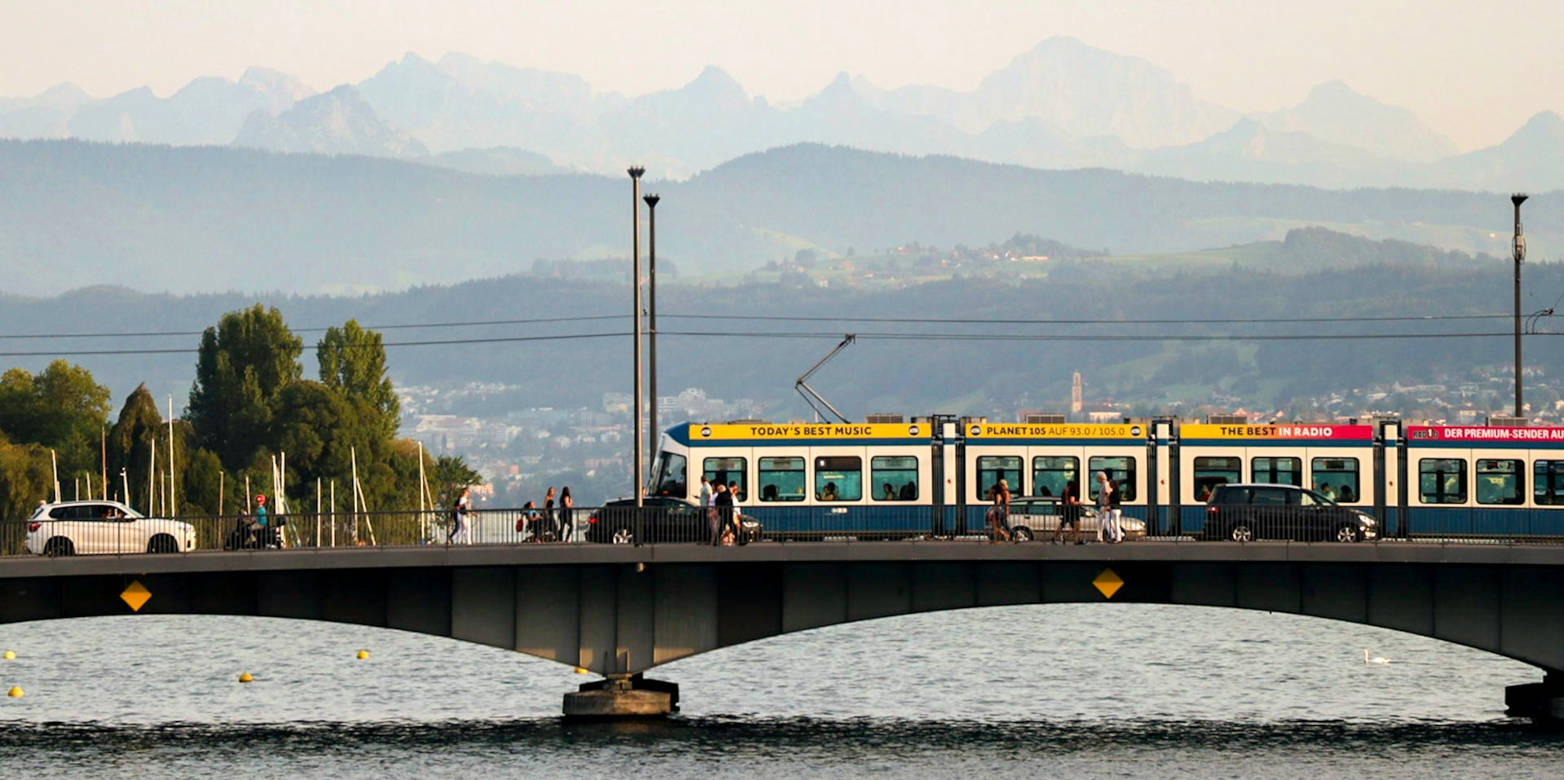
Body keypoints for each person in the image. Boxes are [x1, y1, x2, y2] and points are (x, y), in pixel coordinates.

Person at [1054, 480, 1083, 545]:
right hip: (1073, 510)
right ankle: (1071, 539)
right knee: (1076, 527)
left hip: (1067, 510)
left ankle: (1076, 540)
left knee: (1063, 525)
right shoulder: (1071, 491)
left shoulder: (1064, 491)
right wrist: (1079, 503)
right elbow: (1071, 501)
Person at [989, 479, 1013, 543]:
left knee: (998, 525)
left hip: (999, 511)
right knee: (1003, 525)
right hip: (1001, 511)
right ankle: (1003, 537)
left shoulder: (1002, 494)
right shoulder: (1003, 493)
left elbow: (1002, 503)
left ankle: (1009, 536)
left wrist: (1007, 510)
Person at [1093, 472, 1111, 542]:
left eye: (1097, 479)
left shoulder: (1106, 484)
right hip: (1103, 505)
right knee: (1103, 522)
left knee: (1104, 522)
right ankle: (1099, 537)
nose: (1097, 480)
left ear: (1100, 478)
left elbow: (1107, 494)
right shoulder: (1104, 485)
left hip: (1104, 506)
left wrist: (1107, 505)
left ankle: (1100, 537)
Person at [1107, 478, 1124, 543]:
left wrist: (1108, 497)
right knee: (1116, 524)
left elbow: (1110, 501)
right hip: (1117, 509)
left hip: (1114, 509)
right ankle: (1120, 535)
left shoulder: (1113, 493)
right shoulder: (1118, 492)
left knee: (1116, 524)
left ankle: (1118, 538)